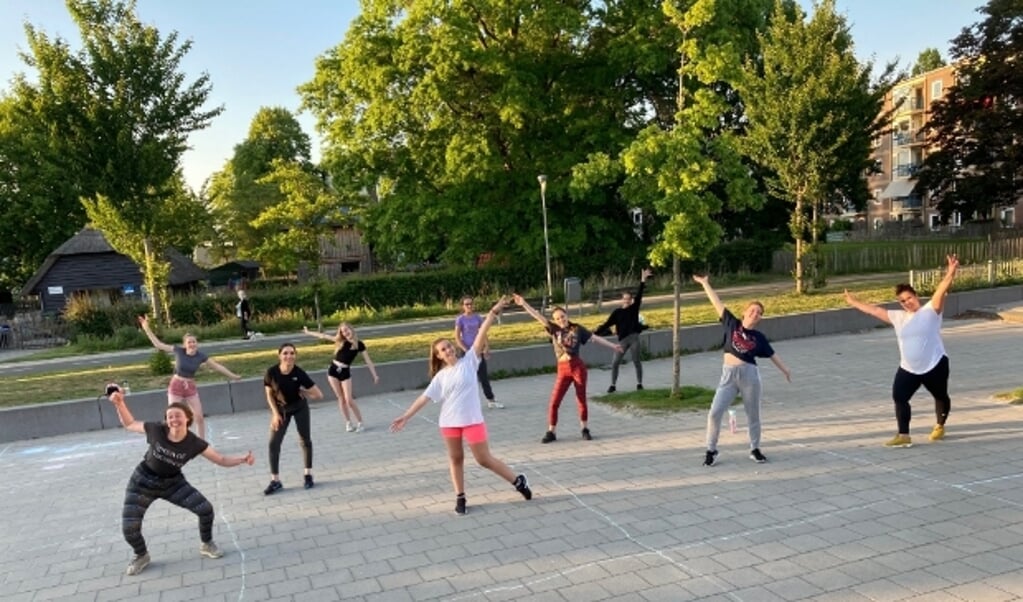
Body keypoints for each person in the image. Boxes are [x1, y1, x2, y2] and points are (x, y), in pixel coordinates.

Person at [390, 296, 532, 516]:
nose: (448, 351)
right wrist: (406, 416)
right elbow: (424, 398)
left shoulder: (470, 361)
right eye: (443, 350)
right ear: (438, 356)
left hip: (473, 421)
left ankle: (518, 481)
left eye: (449, 346)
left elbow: (482, 332)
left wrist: (494, 311)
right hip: (449, 423)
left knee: (483, 459)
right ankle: (460, 497)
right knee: (456, 459)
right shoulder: (440, 377)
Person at [106, 384, 254, 576]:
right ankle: (141, 555)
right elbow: (129, 424)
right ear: (166, 420)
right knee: (129, 528)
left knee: (205, 509)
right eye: (170, 416)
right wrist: (120, 403)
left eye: (178, 415)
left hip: (172, 483)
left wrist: (241, 460)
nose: (174, 419)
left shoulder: (195, 443)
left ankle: (207, 543)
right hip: (142, 481)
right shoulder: (156, 429)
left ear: (187, 418)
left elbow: (221, 459)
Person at [844, 254, 959, 447]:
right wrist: (853, 301)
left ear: (915, 296)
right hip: (909, 368)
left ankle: (940, 425)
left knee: (940, 396)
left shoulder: (931, 311)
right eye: (903, 301)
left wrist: (951, 272)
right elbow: (874, 310)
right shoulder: (898, 317)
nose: (907, 302)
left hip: (935, 365)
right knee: (899, 397)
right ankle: (904, 435)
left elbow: (941, 290)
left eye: (909, 298)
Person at [693, 274, 791, 466]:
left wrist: (785, 370)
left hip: (749, 377)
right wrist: (705, 283)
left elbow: (772, 355)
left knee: (753, 414)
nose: (756, 314)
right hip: (728, 375)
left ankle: (755, 449)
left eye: (759, 313)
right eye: (753, 310)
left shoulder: (759, 338)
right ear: (745, 312)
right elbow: (716, 303)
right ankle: (711, 450)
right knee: (714, 412)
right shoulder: (732, 323)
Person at [512, 294, 623, 444]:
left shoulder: (577, 328)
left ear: (566, 315)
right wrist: (524, 303)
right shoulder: (553, 328)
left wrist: (613, 346)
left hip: (577, 367)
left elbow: (595, 338)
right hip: (562, 369)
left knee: (581, 399)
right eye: (557, 318)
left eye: (562, 317)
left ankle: (584, 429)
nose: (560, 320)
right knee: (554, 401)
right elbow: (537, 316)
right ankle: (551, 431)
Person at [138, 315, 241, 440]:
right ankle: (172, 441)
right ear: (185, 344)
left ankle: (201, 443)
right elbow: (158, 345)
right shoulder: (178, 351)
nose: (192, 344)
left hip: (190, 387)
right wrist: (146, 328)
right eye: (189, 342)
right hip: (176, 386)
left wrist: (233, 376)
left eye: (194, 342)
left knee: (199, 416)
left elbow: (217, 367)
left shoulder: (201, 356)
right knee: (174, 417)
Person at [263, 342, 325, 494]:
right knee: (273, 443)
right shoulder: (271, 372)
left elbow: (319, 395)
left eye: (292, 353)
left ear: (295, 356)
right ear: (279, 355)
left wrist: (304, 392)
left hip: (299, 408)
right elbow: (269, 394)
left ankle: (308, 475)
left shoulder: (299, 373)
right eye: (285, 353)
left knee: (305, 440)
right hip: (281, 410)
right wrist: (275, 414)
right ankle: (275, 481)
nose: (289, 356)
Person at [302, 323, 380, 432]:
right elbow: (324, 336)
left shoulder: (359, 345)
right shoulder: (341, 342)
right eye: (343, 331)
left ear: (351, 329)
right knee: (341, 398)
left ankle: (360, 422)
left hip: (345, 372)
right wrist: (308, 332)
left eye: (346, 330)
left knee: (348, 399)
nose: (345, 332)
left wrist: (375, 375)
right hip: (333, 370)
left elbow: (368, 361)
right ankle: (348, 423)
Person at [596, 268, 653, 393]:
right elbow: (607, 324)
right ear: (622, 299)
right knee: (615, 362)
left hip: (633, 338)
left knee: (636, 360)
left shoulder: (634, 308)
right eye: (624, 298)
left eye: (628, 298)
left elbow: (640, 295)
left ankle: (639, 383)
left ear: (631, 300)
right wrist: (594, 334)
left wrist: (643, 280)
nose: (626, 300)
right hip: (622, 340)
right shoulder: (617, 312)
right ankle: (612, 385)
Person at [455, 296, 504, 409]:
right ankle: (462, 403)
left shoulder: (477, 318)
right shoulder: (460, 319)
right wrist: (466, 350)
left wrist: (486, 347)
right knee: (465, 378)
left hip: (478, 350)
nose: (469, 306)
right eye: (467, 304)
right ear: (463, 306)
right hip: (465, 351)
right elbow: (457, 338)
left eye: (471, 304)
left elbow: (483, 332)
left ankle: (491, 400)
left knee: (483, 377)